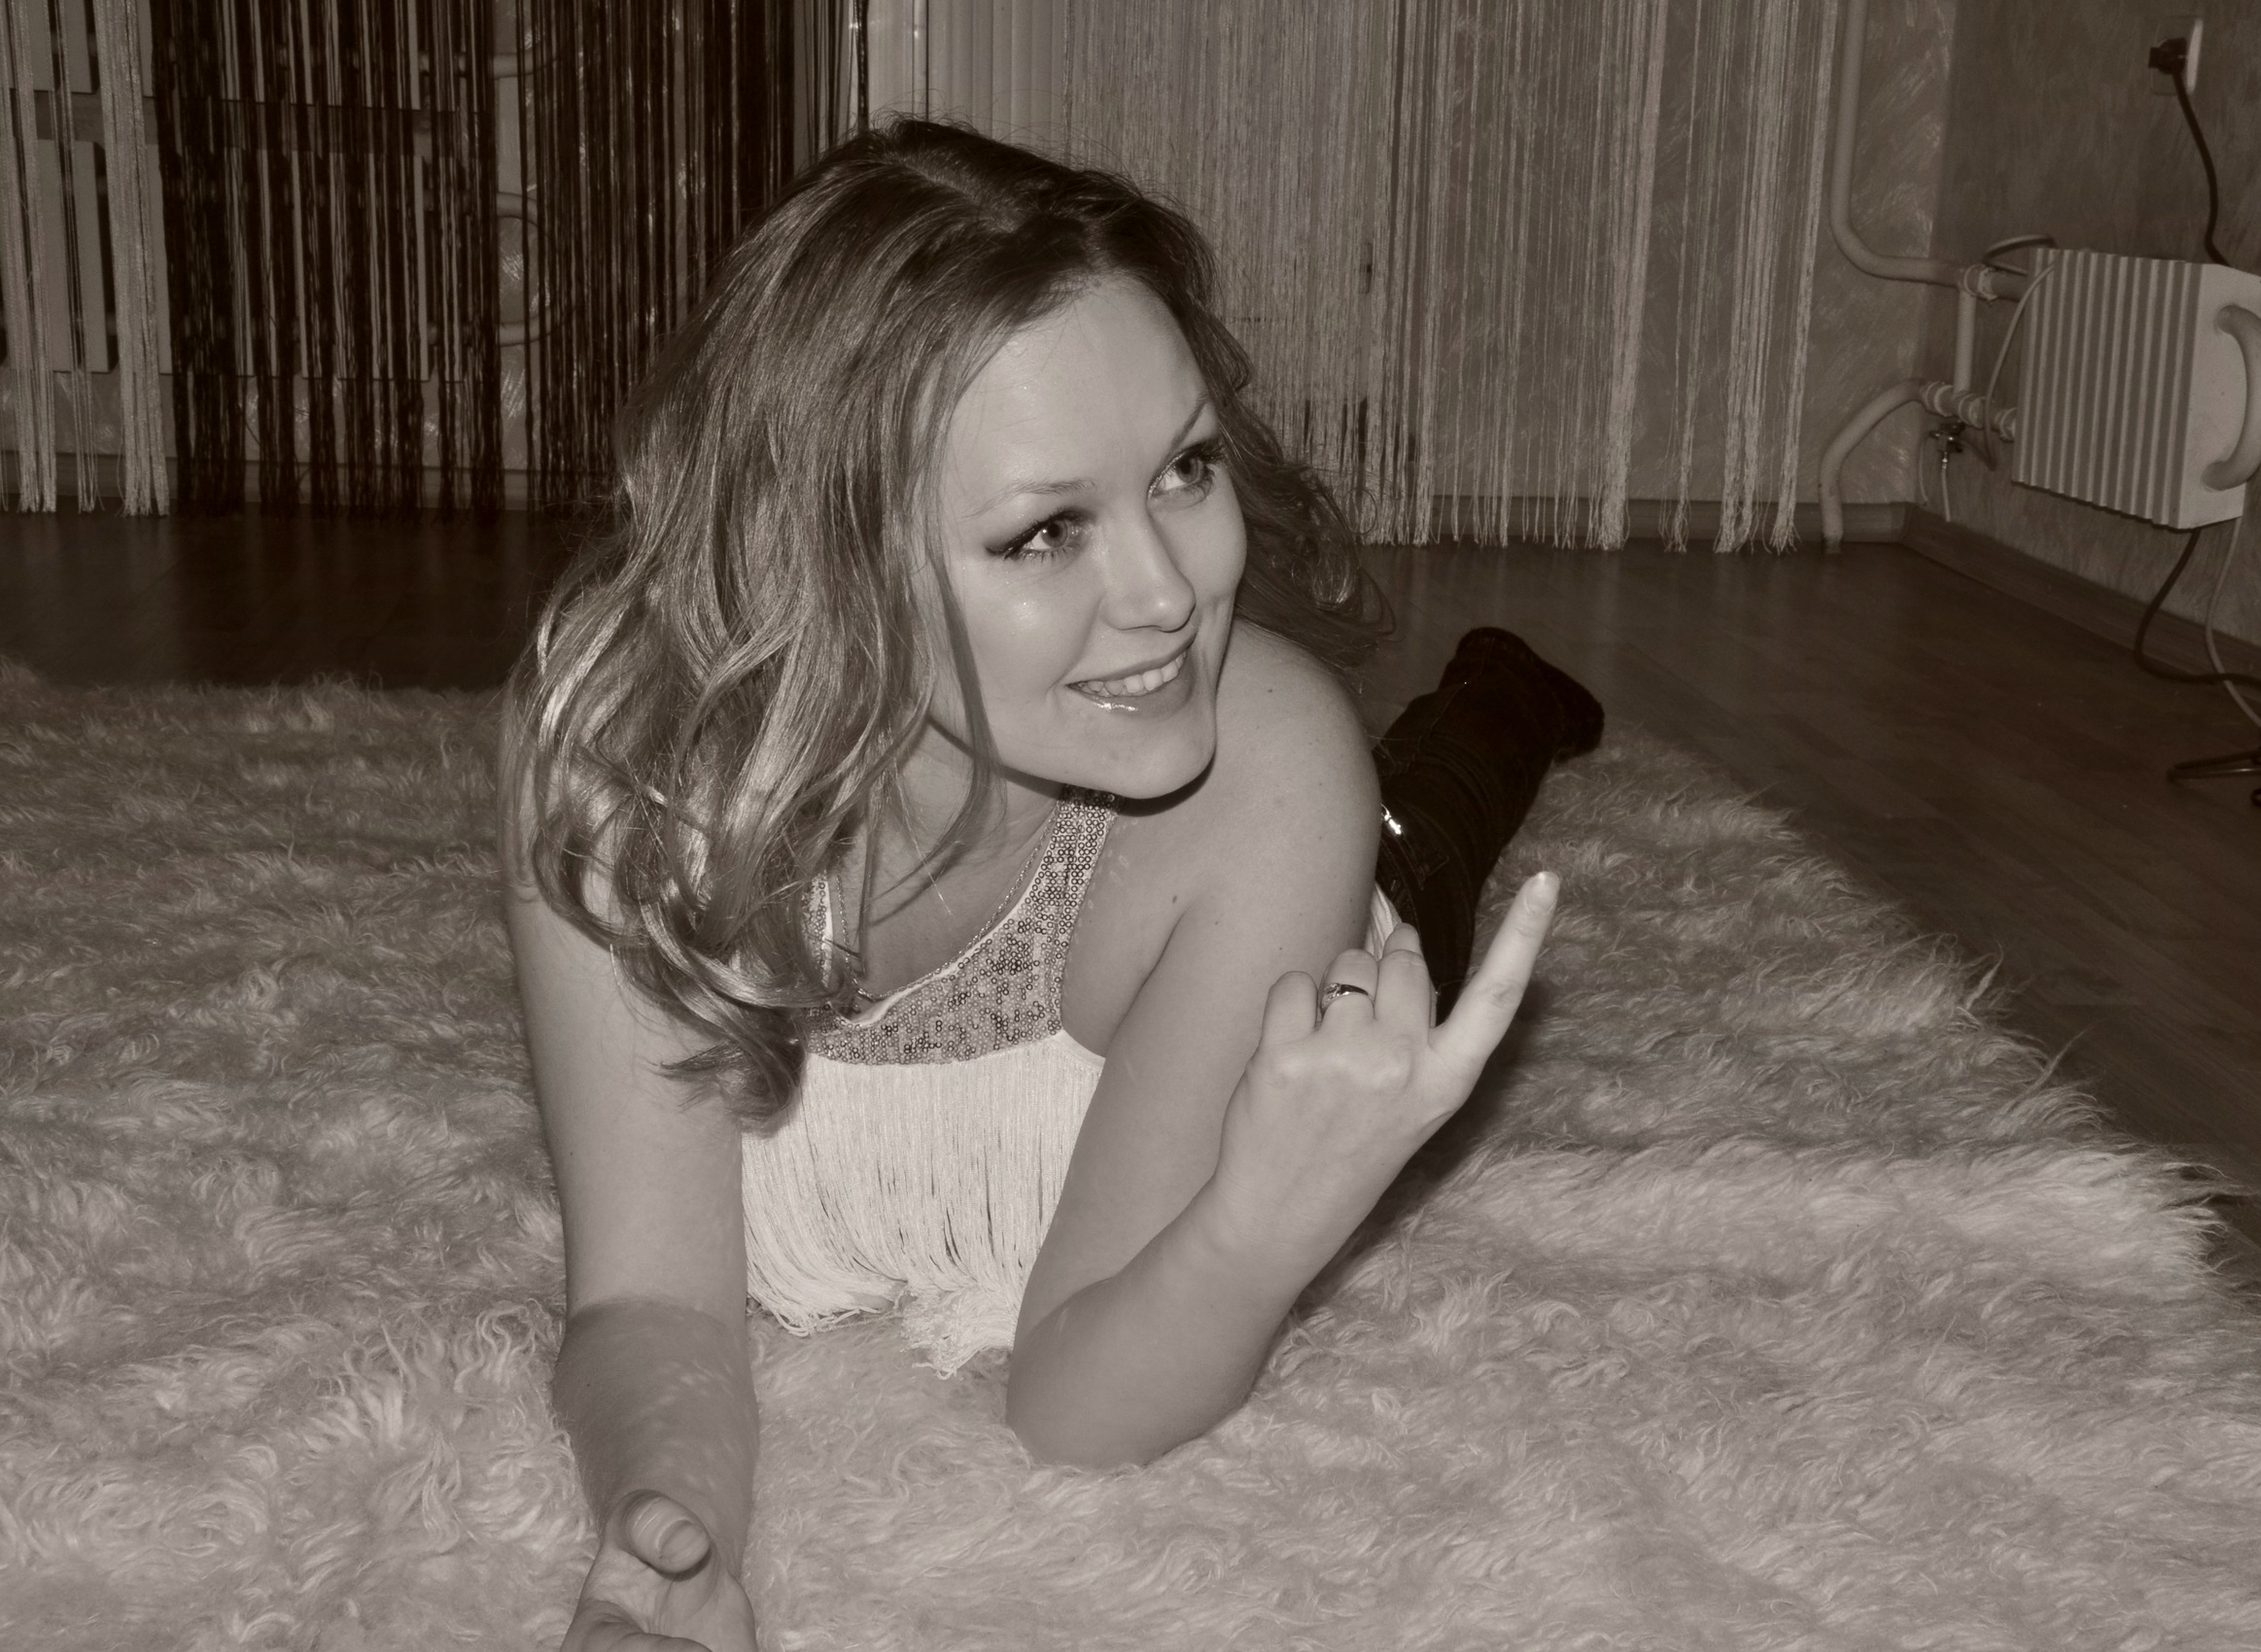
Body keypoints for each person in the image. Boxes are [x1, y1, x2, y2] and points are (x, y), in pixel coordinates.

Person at [502, 119, 1604, 1652]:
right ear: (823, 562)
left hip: (1315, 851)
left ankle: (1506, 697)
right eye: (1046, 531)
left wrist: (1265, 1222)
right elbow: (653, 1303)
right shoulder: (626, 773)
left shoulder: (1270, 770)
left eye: (1186, 470)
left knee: (1430, 823)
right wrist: (665, 1533)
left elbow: (1073, 1406)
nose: (1170, 590)